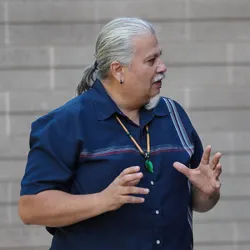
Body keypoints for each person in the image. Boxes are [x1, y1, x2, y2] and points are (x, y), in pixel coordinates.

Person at [18, 17, 222, 250]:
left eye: (160, 56)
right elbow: (30, 208)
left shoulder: (174, 114)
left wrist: (207, 193)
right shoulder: (65, 123)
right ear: (118, 70)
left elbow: (198, 202)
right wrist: (103, 200)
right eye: (151, 60)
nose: (162, 67)